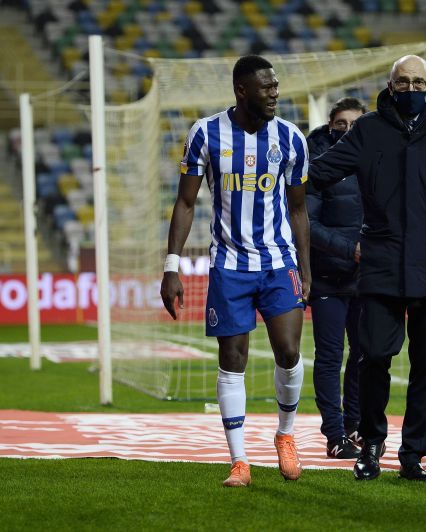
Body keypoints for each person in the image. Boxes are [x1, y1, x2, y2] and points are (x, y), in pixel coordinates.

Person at [309, 55, 426, 482]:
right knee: (372, 357)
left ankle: (413, 456)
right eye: (403, 82)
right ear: (390, 87)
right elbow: (319, 173)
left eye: (418, 82)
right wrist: (304, 150)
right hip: (381, 265)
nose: (411, 89)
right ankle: (371, 447)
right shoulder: (368, 130)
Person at [160, 55, 311, 488]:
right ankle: (240, 461)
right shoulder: (205, 134)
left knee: (288, 352)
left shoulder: (291, 138)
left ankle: (285, 435)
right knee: (233, 359)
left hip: (279, 262)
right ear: (242, 90)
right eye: (267, 87)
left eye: (276, 86)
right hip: (229, 266)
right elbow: (185, 203)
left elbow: (299, 209)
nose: (275, 93)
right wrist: (172, 266)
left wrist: (307, 267)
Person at [305, 97, 367, 459]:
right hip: (328, 275)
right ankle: (334, 432)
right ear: (331, 126)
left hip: (368, 276)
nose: (347, 129)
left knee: (364, 354)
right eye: (341, 123)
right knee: (330, 356)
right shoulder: (316, 164)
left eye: (355, 123)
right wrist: (350, 249)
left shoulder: (378, 159)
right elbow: (308, 224)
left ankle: (355, 424)